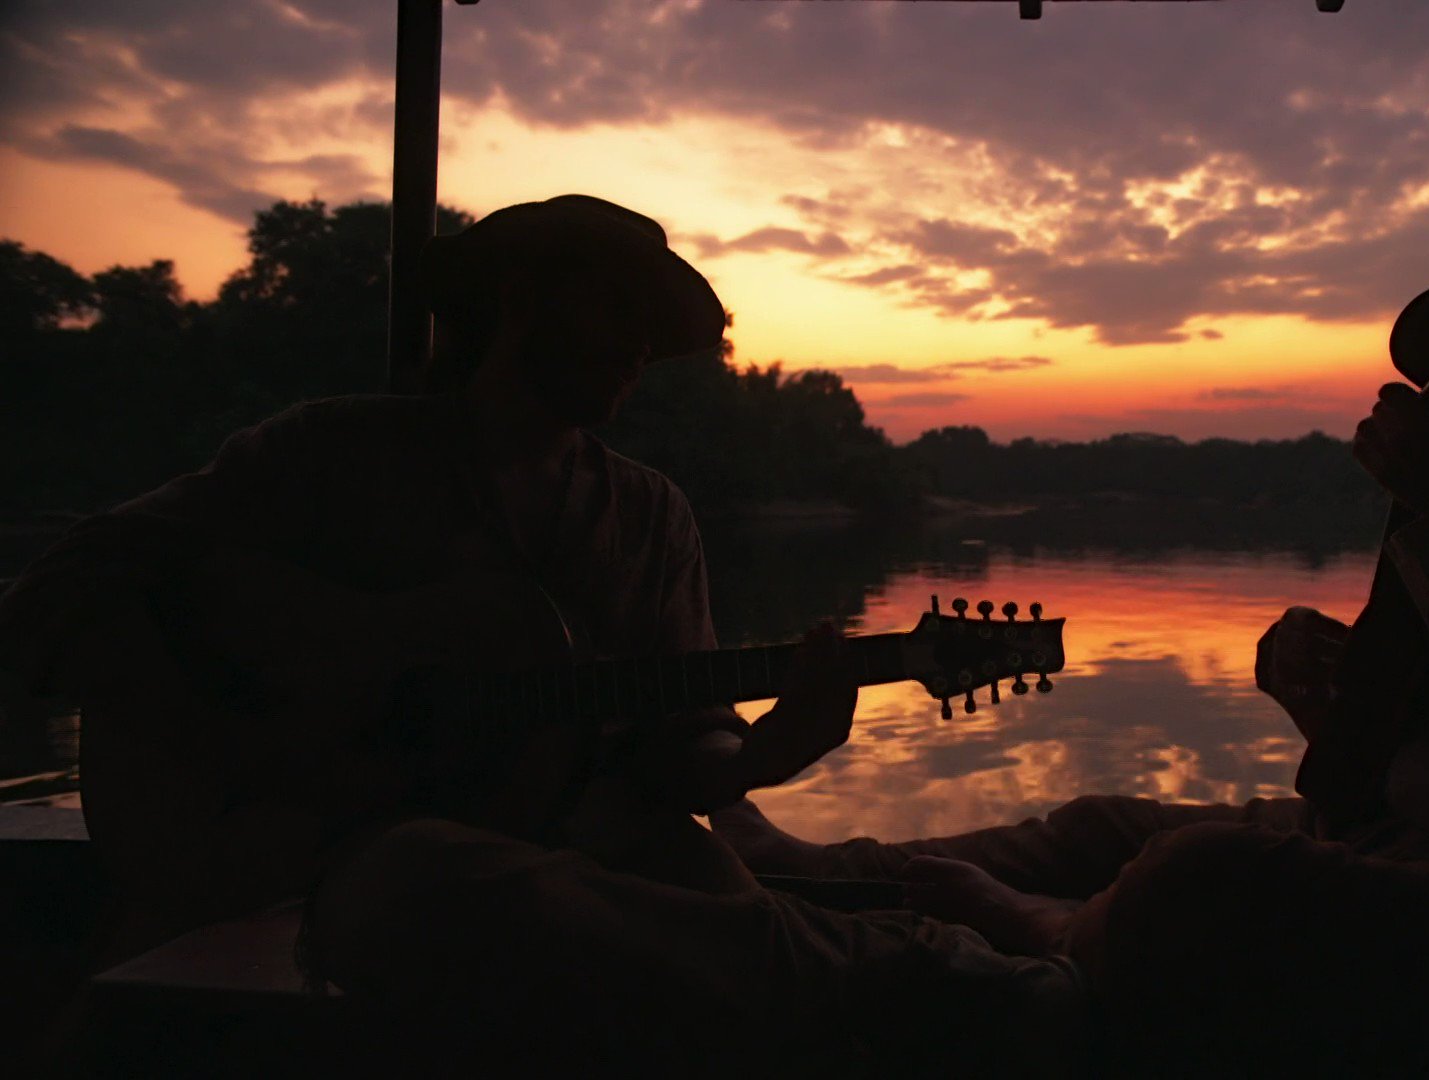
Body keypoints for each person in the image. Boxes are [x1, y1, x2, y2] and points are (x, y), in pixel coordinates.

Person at [715, 202, 1429, 1075]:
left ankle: (1031, 927)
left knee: (1201, 879)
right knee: (1099, 820)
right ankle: (827, 878)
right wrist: (1325, 689)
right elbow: (1420, 750)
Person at [0, 195, 1085, 1074]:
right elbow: (66, 586)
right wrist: (243, 712)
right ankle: (972, 982)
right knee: (412, 873)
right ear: (522, 301)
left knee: (697, 876)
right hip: (322, 853)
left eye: (657, 335)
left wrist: (770, 751)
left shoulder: (648, 513)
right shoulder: (333, 456)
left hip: (555, 857)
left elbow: (686, 744)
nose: (643, 351)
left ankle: (969, 990)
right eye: (622, 317)